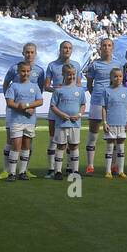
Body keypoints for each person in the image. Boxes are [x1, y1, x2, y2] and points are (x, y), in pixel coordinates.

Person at [2, 43, 44, 180]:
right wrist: (12, 102)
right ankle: (7, 170)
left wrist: (30, 106)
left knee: (27, 143)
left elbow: (39, 93)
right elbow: (6, 84)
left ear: (35, 53)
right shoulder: (14, 69)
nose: (29, 54)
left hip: (30, 113)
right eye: (27, 52)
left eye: (32, 52)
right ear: (23, 53)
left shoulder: (39, 71)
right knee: (12, 141)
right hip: (15, 111)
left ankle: (24, 170)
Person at [43, 40, 78, 176]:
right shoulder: (52, 65)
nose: (67, 50)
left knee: (71, 141)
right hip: (57, 106)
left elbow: (78, 85)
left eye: (69, 48)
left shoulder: (76, 65)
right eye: (64, 48)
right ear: (60, 49)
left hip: (71, 107)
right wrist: (57, 90)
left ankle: (70, 167)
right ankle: (52, 169)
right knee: (53, 138)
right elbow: (46, 86)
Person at [84, 37, 117, 176]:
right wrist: (98, 96)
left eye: (109, 45)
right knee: (93, 134)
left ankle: (114, 165)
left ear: (112, 48)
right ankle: (90, 165)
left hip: (114, 105)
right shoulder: (94, 65)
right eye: (104, 45)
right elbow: (89, 86)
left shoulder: (118, 64)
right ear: (100, 48)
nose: (106, 48)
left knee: (113, 136)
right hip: (97, 102)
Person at [49, 64, 86, 180]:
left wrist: (79, 115)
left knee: (74, 146)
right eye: (69, 74)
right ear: (63, 74)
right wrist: (62, 114)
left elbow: (83, 105)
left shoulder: (79, 90)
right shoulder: (59, 90)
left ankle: (75, 171)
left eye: (73, 74)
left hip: (75, 124)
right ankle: (58, 171)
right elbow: (53, 106)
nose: (71, 76)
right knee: (61, 146)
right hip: (62, 123)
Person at [101, 68, 127, 178]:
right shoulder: (106, 91)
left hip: (122, 124)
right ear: (111, 78)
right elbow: (104, 107)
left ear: (122, 77)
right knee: (110, 148)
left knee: (121, 148)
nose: (118, 78)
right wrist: (104, 122)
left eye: (120, 76)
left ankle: (120, 171)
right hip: (111, 124)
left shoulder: (126, 91)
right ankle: (108, 171)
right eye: (115, 76)